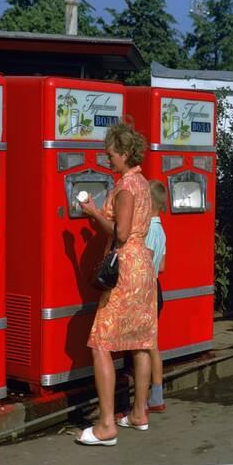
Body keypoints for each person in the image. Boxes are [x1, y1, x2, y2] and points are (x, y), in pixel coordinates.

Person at [76, 122, 157, 447]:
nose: (108, 160)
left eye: (111, 155)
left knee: (101, 344)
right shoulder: (143, 184)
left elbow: (120, 233)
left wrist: (94, 212)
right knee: (139, 342)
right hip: (143, 266)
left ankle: (106, 425)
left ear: (124, 153)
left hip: (125, 265)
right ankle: (139, 414)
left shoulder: (125, 187)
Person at [145, 180, 167, 413]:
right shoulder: (161, 230)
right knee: (152, 344)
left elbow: (148, 261)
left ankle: (154, 398)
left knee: (147, 347)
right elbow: (162, 266)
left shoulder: (149, 229)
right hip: (156, 288)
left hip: (146, 290)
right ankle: (156, 395)